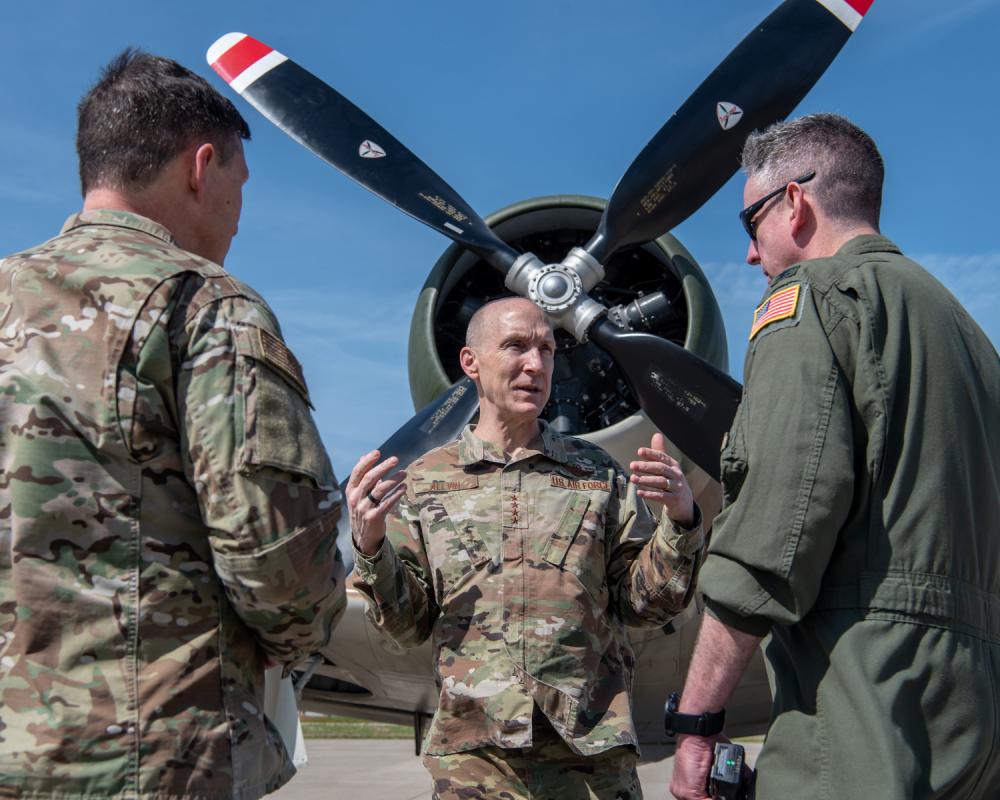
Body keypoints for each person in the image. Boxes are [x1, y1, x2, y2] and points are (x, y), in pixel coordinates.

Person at [0, 50, 347, 798]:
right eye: (238, 183)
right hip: (157, 756)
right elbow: (276, 564)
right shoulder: (207, 304)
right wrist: (309, 632)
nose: (238, 210)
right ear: (201, 166)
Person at [669, 113, 1000, 799]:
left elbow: (771, 536)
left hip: (863, 710)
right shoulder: (967, 336)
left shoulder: (812, 299)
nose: (752, 257)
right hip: (976, 716)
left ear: (794, 204)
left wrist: (697, 719)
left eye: (749, 224)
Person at [347, 296, 706, 799]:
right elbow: (407, 625)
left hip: (590, 760)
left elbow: (645, 605)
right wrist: (370, 544)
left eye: (547, 349)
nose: (535, 365)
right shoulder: (426, 480)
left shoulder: (599, 473)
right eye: (515, 346)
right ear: (470, 362)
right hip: (477, 762)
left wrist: (681, 521)